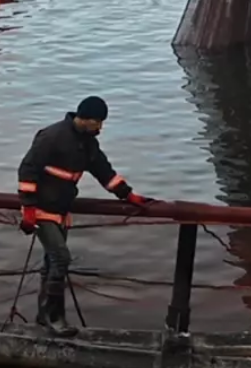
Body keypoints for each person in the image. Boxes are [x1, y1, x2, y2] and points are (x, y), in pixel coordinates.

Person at [17, 96, 153, 337]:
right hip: (41, 210)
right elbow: (27, 168)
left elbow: (104, 172)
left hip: (61, 210)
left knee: (51, 263)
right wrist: (28, 207)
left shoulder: (88, 144)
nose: (100, 127)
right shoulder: (52, 137)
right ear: (84, 118)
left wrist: (128, 195)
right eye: (97, 121)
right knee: (61, 258)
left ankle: (43, 314)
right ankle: (54, 317)